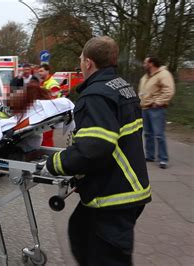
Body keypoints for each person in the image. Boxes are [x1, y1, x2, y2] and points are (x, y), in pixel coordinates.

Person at [43, 36, 151, 265]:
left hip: (115, 194)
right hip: (125, 185)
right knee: (81, 232)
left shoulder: (96, 95)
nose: (80, 64)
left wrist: (54, 163)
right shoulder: (123, 87)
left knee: (107, 257)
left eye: (81, 60)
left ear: (89, 63)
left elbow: (94, 147)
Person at [138, 56, 175, 169]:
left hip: (156, 109)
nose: (144, 65)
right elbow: (142, 91)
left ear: (151, 63)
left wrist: (158, 102)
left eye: (145, 63)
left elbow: (169, 90)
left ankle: (163, 159)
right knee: (148, 134)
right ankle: (150, 155)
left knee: (159, 134)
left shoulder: (164, 74)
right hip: (145, 108)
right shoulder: (146, 77)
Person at [38, 64, 61, 147]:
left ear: (47, 71)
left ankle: (48, 156)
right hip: (43, 115)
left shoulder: (53, 84)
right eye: (38, 71)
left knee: (46, 139)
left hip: (49, 116)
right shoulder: (43, 83)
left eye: (41, 71)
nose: (39, 73)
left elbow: (53, 100)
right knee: (42, 139)